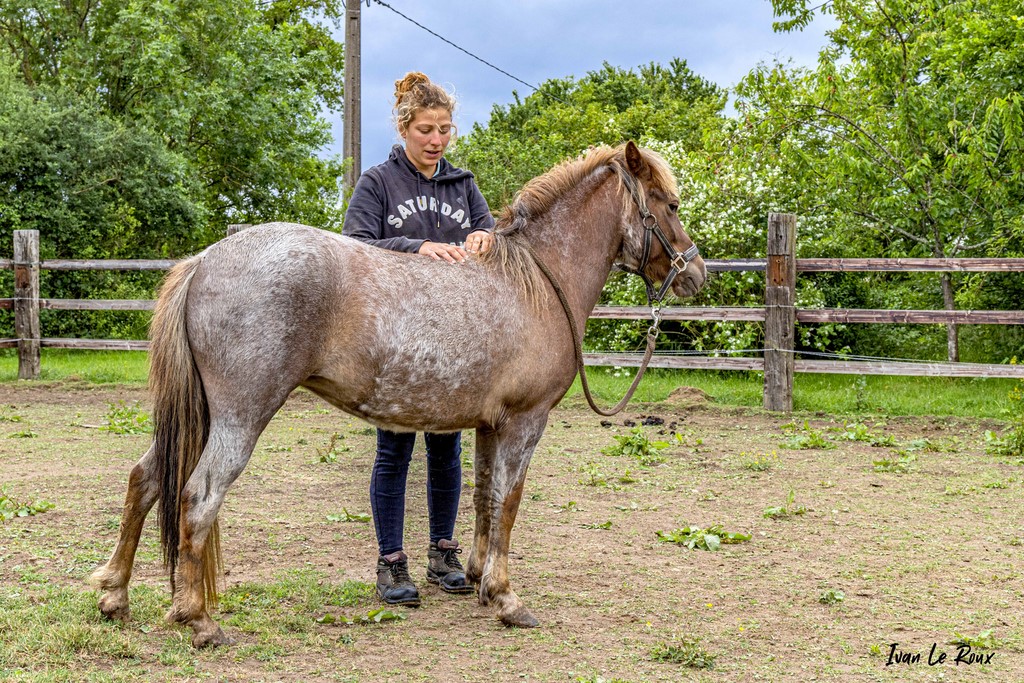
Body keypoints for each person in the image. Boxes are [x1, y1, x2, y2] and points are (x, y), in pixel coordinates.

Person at [342, 72, 495, 607]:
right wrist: (417, 247)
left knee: (446, 449)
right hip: (397, 338)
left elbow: (495, 241)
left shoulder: (464, 183)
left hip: (454, 338)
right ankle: (391, 563)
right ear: (405, 128)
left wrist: (485, 237)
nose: (436, 140)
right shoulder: (379, 182)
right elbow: (354, 246)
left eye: (445, 130)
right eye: (426, 129)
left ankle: (443, 552)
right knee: (394, 449)